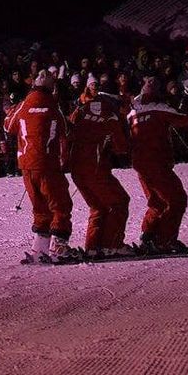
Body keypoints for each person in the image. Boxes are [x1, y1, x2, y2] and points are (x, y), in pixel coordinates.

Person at [3, 69, 74, 259]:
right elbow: (65, 130)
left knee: (39, 206)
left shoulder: (24, 104)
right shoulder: (52, 105)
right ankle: (59, 248)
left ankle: (39, 248)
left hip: (26, 164)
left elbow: (8, 126)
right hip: (47, 163)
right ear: (50, 86)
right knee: (60, 204)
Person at [126, 77, 188, 253]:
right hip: (157, 163)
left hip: (140, 164)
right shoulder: (159, 108)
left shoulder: (132, 111)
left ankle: (148, 237)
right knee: (177, 199)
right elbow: (185, 120)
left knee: (157, 202)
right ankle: (165, 240)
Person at [67, 76, 130, 256]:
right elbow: (121, 148)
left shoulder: (81, 109)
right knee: (119, 202)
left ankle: (93, 247)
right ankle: (112, 245)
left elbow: (70, 129)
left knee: (98, 207)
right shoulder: (110, 114)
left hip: (77, 169)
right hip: (96, 168)